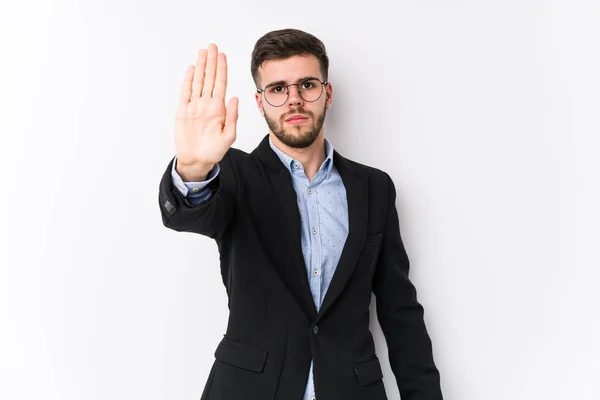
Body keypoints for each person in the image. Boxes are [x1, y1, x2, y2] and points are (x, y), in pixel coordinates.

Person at [158, 28, 443, 400]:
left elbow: (399, 310)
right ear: (260, 103)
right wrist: (193, 168)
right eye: (277, 89)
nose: (294, 100)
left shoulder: (373, 188)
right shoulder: (232, 174)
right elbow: (188, 215)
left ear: (327, 93)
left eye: (306, 85)